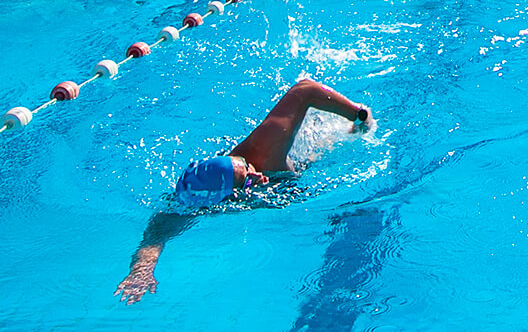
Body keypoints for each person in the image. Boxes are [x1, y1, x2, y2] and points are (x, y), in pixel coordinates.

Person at [115, 78, 372, 304]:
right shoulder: (192, 201)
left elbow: (306, 89)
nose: (255, 175)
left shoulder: (262, 152)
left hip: (296, 152)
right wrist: (141, 271)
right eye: (246, 180)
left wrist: (358, 116)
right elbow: (155, 235)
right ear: (222, 199)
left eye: (246, 167)